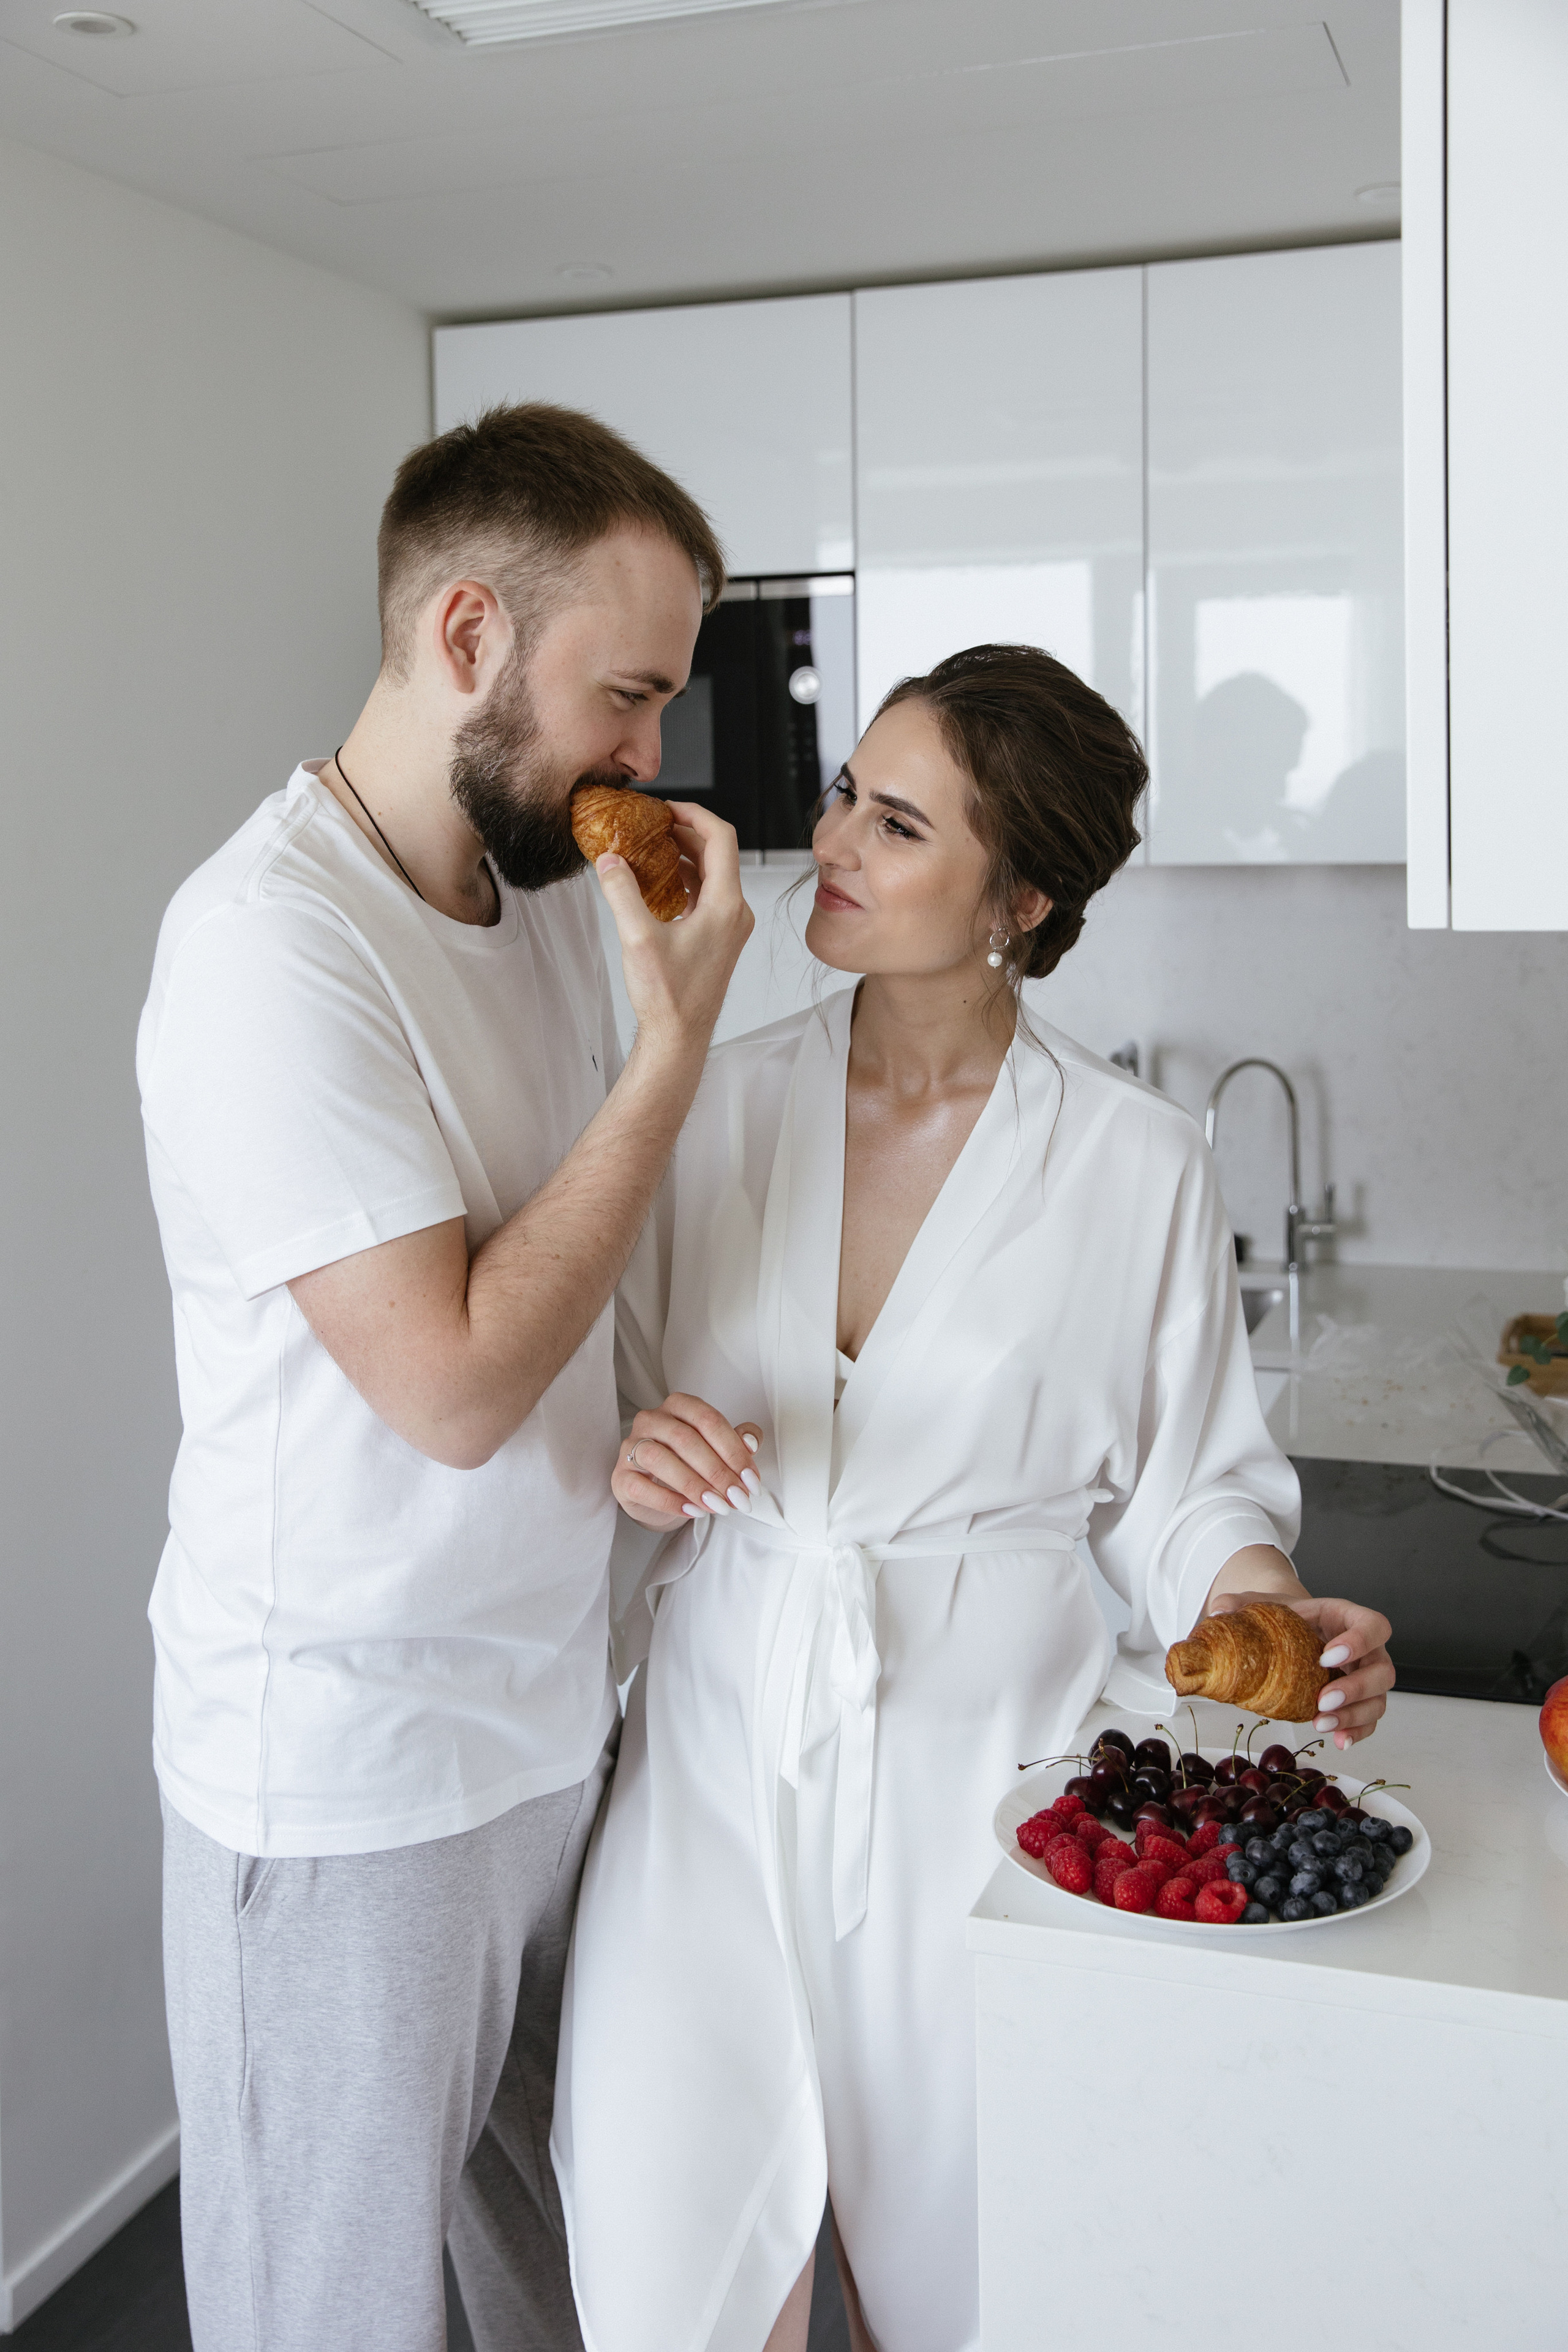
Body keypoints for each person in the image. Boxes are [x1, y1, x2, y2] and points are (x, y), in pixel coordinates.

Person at [552, 644, 1396, 2352]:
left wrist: (1259, 1607)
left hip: (977, 1797)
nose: (835, 840)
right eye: (849, 792)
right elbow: (612, 1401)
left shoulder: (1134, 1159)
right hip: (715, 1763)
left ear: (1019, 895)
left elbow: (1193, 1491)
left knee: (984, 2287)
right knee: (671, 2273)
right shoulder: (711, 1096)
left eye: (900, 824)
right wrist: (640, 1456)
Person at [137, 402, 752, 2352]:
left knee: (560, 2294)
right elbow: (459, 1385)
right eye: (627, 694)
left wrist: (638, 1418)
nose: (648, 760)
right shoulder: (268, 947)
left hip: (546, 1729)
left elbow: (570, 1281)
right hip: (341, 1778)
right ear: (471, 635)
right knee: (328, 2315)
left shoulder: (547, 915)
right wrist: (676, 1055)